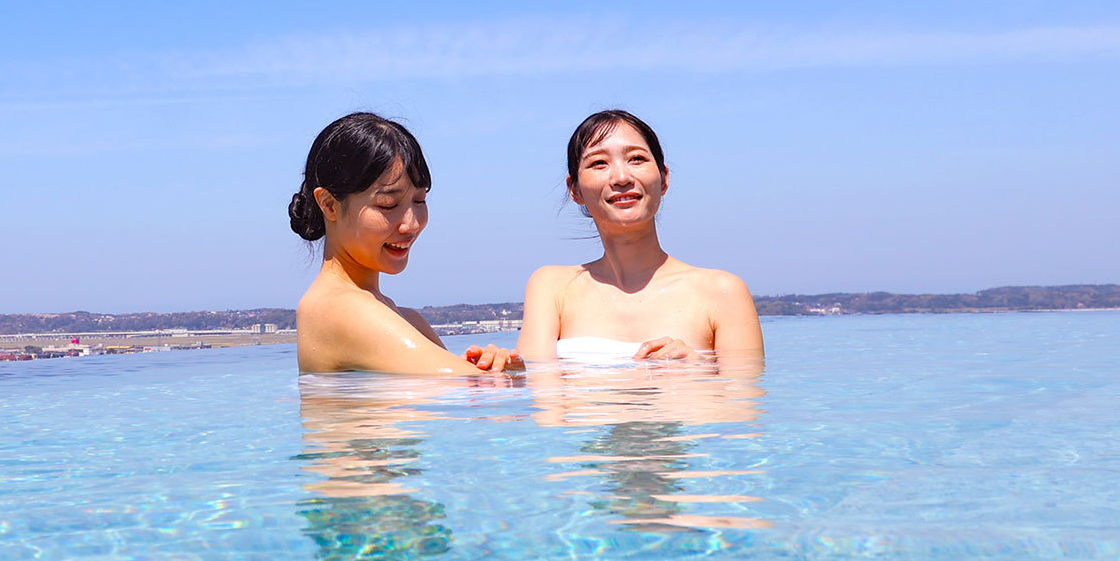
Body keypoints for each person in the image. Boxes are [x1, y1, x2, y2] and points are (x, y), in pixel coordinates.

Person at [517, 109, 765, 371]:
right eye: (599, 163)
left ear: (664, 179)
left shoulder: (723, 292)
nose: (622, 178)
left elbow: (743, 407)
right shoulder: (553, 288)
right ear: (575, 190)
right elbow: (541, 401)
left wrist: (697, 371)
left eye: (636, 159)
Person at [290, 112, 522, 374]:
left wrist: (500, 367)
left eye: (419, 201)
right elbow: (472, 391)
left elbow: (467, 392)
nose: (411, 224)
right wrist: (497, 380)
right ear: (329, 205)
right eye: (388, 204)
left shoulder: (410, 321)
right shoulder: (337, 308)